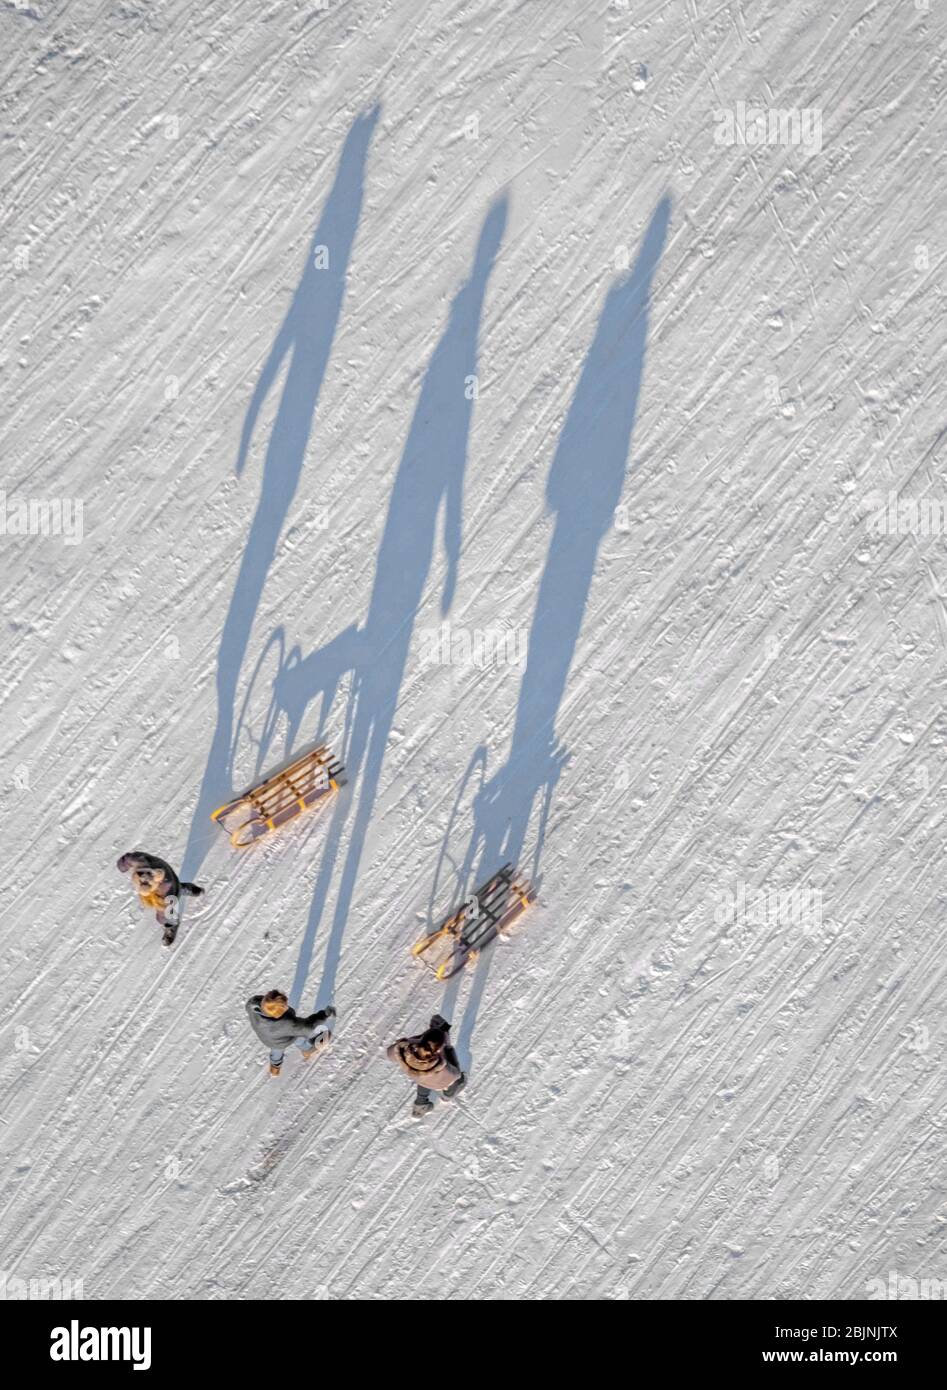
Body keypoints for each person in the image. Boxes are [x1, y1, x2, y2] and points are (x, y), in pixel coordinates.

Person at [116, 849, 204, 946]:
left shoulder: (165, 888)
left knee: (168, 911)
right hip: (165, 871)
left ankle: (172, 925)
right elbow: (128, 858)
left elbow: (165, 907)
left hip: (169, 889)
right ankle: (188, 888)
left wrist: (162, 918)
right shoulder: (139, 861)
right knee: (175, 886)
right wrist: (122, 865)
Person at [386, 1013, 467, 1117]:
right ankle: (448, 1093)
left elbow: (390, 1053)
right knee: (450, 1079)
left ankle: (420, 1104)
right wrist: (447, 1046)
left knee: (423, 1075)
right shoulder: (440, 1065)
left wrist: (410, 1041)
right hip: (436, 1081)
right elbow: (455, 1074)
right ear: (437, 1050)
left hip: (417, 1075)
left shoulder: (405, 1049)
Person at [245, 990, 336, 1077]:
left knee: (276, 1052)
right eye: (284, 1005)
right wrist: (324, 1014)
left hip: (266, 1038)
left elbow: (262, 1002)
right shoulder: (288, 1023)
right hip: (284, 1039)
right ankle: (307, 1050)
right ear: (280, 1012)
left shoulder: (253, 1004)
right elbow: (308, 1028)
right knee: (298, 1038)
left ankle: (275, 1069)